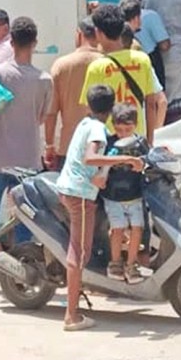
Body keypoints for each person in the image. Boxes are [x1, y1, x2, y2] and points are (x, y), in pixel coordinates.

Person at [0, 17, 53, 293]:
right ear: (35, 43)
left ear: (11, 42)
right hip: (27, 160)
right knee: (26, 218)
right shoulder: (44, 79)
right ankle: (22, 274)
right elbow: (41, 117)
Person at [57, 85, 144, 330]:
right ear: (111, 109)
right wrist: (126, 159)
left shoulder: (85, 123)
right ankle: (71, 316)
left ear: (89, 105)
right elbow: (90, 157)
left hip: (71, 189)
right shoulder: (98, 130)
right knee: (79, 254)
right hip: (80, 195)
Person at [79, 4, 157, 143]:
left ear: (98, 33)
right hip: (136, 138)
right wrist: (150, 141)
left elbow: (89, 110)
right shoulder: (142, 59)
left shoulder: (97, 67)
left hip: (107, 140)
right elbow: (151, 104)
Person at [103, 103, 151, 285]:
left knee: (137, 229)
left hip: (135, 195)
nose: (123, 133)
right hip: (113, 196)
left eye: (128, 129)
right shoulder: (109, 143)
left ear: (136, 125)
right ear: (113, 125)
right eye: (119, 129)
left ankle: (131, 264)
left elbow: (149, 160)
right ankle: (115, 262)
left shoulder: (140, 144)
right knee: (118, 229)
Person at [44, 16, 99, 169]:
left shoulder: (62, 65)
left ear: (79, 34)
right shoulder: (107, 63)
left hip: (70, 145)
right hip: (101, 148)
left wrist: (49, 145)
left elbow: (51, 112)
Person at [118, 0, 170, 85]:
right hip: (150, 61)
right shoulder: (150, 15)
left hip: (122, 64)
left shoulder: (115, 16)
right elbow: (165, 45)